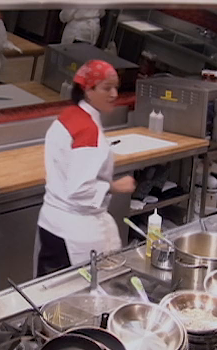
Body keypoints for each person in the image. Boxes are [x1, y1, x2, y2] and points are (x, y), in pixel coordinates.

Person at [36, 60, 136, 276]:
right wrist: (115, 186)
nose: (114, 94)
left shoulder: (68, 115)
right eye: (106, 88)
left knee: (48, 290)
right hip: (74, 233)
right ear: (88, 90)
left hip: (52, 224)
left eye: (116, 87)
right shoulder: (88, 130)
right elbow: (79, 189)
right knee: (74, 291)